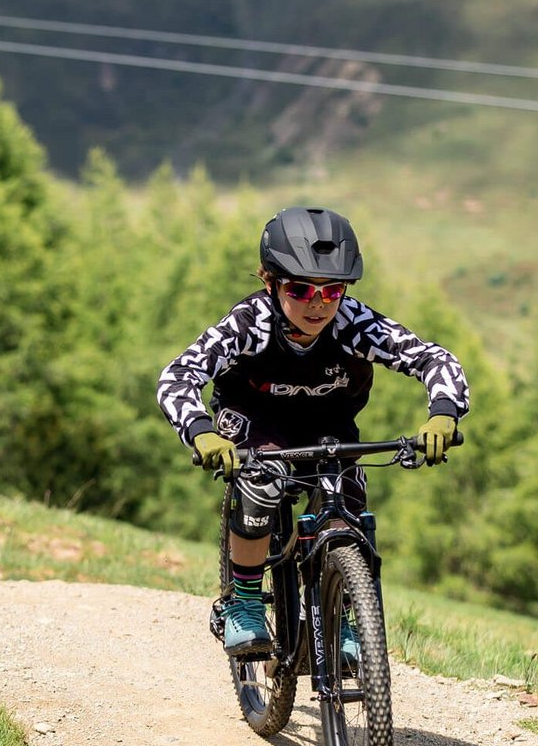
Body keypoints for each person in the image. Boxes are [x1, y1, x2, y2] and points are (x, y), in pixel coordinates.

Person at [156, 206, 469, 659]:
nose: (318, 303)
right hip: (253, 419)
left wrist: (443, 413)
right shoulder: (250, 324)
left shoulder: (353, 323)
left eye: (333, 290)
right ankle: (243, 603)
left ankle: (344, 613)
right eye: (300, 289)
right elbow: (178, 375)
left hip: (327, 425)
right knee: (262, 484)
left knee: (348, 504)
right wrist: (201, 431)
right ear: (271, 282)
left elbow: (434, 360)